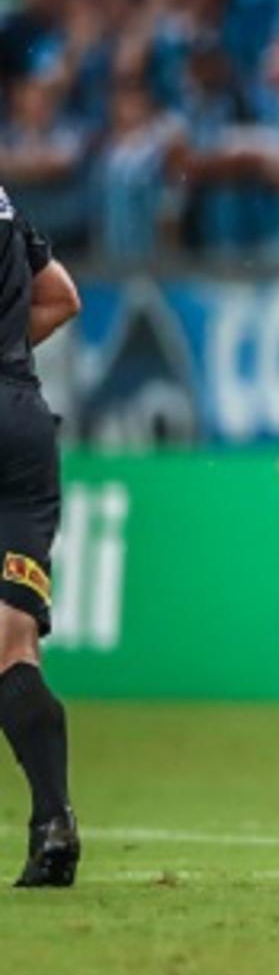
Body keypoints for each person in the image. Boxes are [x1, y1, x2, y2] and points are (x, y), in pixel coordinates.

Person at [0, 185, 82, 887]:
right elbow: (60, 298)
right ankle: (53, 821)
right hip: (19, 426)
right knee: (11, 642)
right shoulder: (5, 207)